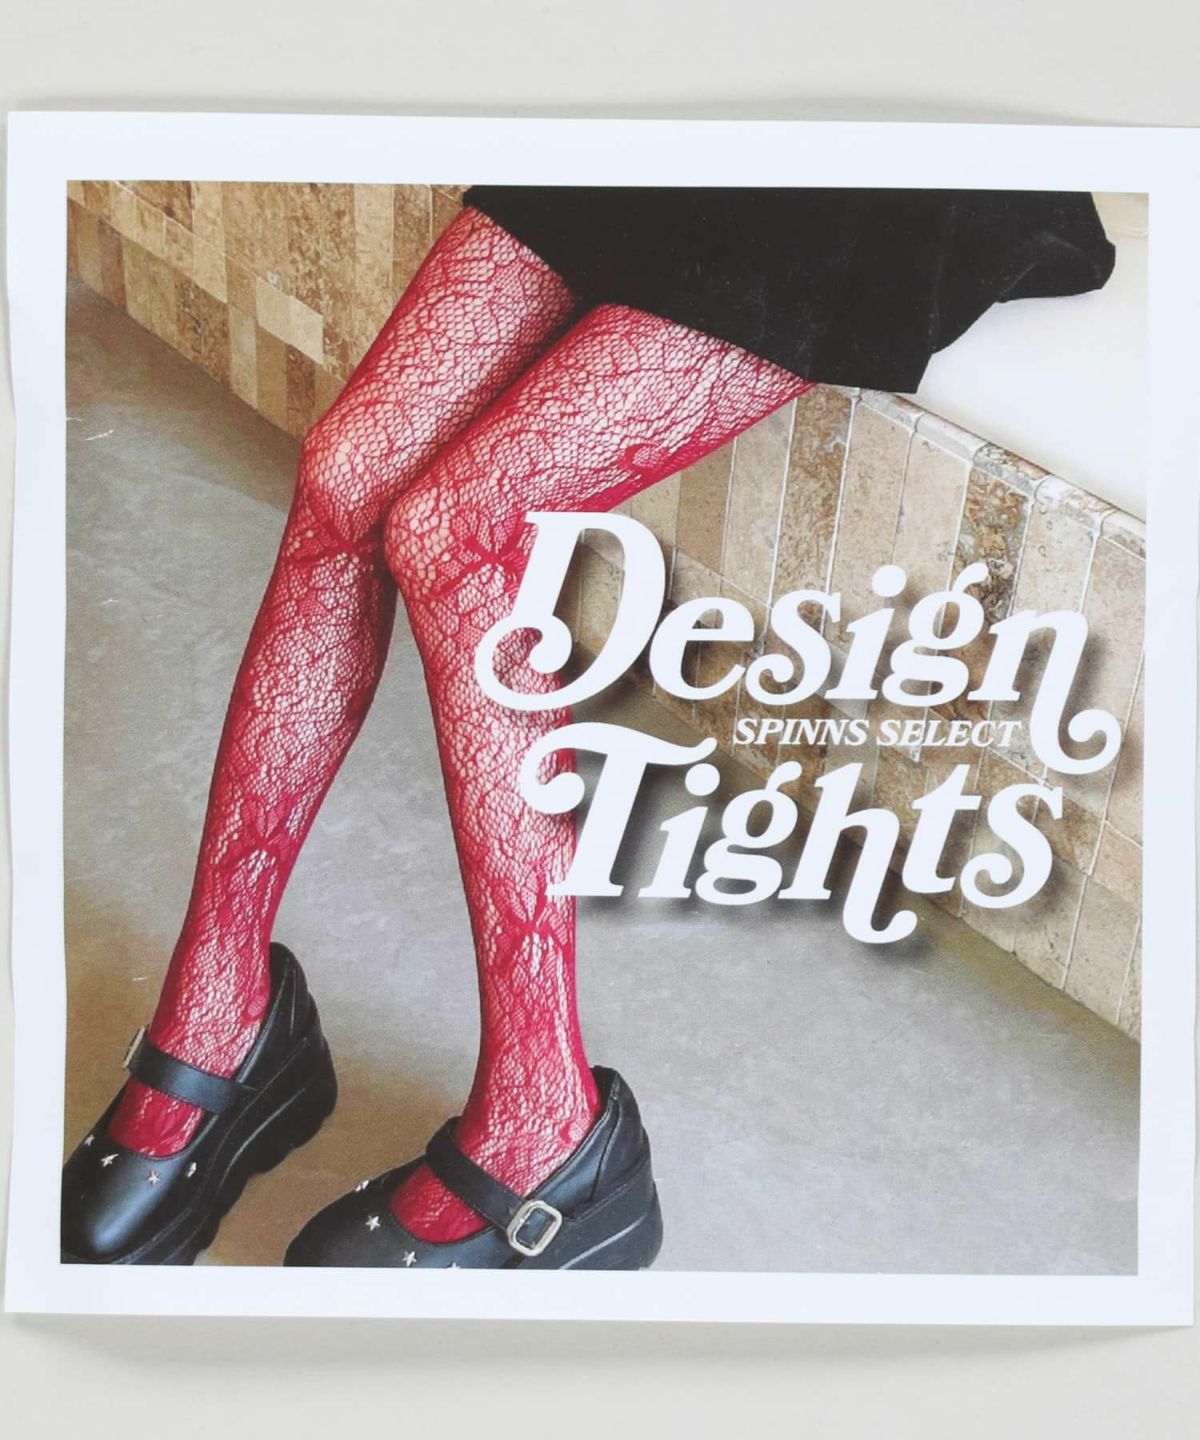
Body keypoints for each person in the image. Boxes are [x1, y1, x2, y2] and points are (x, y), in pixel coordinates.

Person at [60, 187, 1115, 1268]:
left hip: (856, 185)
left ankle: (545, 1126)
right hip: (672, 139)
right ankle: (222, 1010)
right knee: (348, 471)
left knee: (459, 531)